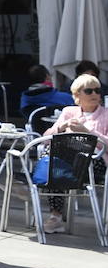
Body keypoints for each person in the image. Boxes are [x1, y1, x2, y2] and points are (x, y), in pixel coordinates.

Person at [41, 73, 108, 234]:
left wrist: (87, 132)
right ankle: (56, 216)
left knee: (55, 164)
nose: (95, 94)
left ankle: (33, 185)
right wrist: (61, 127)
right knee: (54, 160)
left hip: (94, 162)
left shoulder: (106, 115)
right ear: (77, 95)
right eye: (89, 91)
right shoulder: (69, 112)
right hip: (64, 161)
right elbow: (45, 139)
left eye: (97, 90)